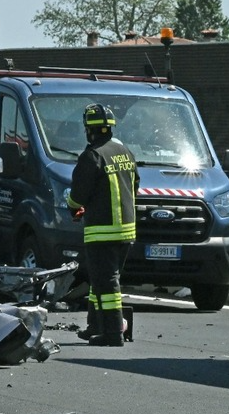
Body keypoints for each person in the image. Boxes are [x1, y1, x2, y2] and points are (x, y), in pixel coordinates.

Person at [67, 103, 138, 347]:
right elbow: (135, 184)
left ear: (89, 130)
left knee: (107, 284)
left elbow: (78, 195)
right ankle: (95, 326)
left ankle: (112, 334)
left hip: (102, 232)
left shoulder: (92, 155)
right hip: (126, 232)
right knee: (99, 280)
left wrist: (73, 206)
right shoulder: (124, 151)